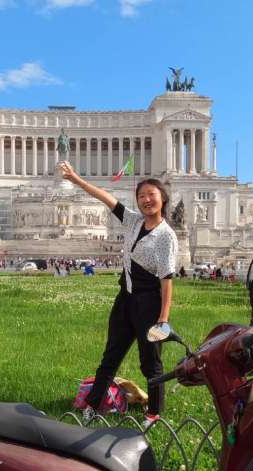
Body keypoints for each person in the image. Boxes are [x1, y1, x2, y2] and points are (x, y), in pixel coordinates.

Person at [60, 160, 175, 430]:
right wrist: (76, 179)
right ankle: (92, 404)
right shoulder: (134, 221)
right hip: (125, 299)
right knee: (110, 355)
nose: (147, 200)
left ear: (162, 199)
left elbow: (167, 279)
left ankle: (154, 414)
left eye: (152, 195)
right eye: (142, 196)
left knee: (151, 361)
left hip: (149, 304)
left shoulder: (166, 235)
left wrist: (163, 319)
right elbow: (106, 198)